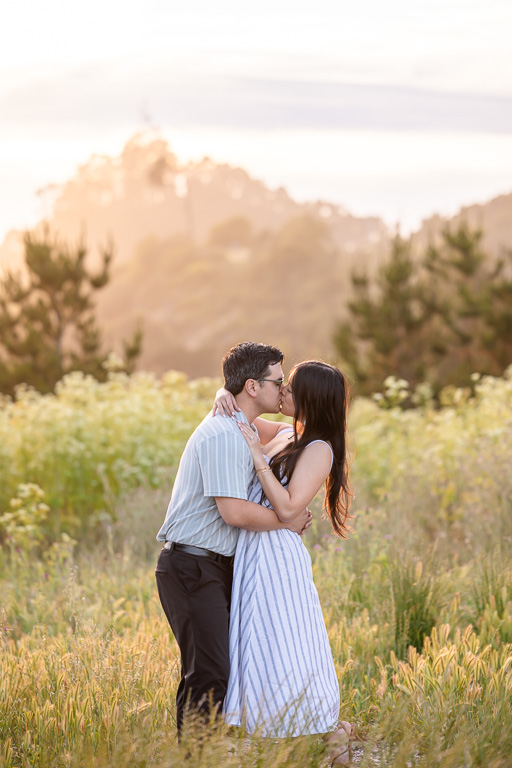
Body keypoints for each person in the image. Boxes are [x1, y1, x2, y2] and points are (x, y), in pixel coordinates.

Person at [154, 342, 312, 735]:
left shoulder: (241, 424)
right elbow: (235, 512)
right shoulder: (224, 433)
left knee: (207, 671)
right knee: (210, 674)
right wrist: (286, 520)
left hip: (214, 566)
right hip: (192, 566)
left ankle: (193, 759)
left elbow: (297, 431)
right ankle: (196, 760)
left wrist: (225, 392)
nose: (283, 389)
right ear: (253, 387)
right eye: (278, 381)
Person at [213, 360, 353, 760]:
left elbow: (290, 507)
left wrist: (258, 457)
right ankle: (279, 734)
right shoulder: (291, 433)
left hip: (277, 555)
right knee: (261, 645)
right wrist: (224, 393)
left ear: (310, 397)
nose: (283, 391)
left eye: (291, 386)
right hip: (255, 552)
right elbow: (241, 418)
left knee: (289, 644)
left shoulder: (319, 449)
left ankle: (330, 731)